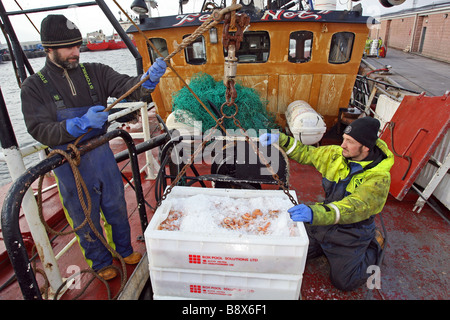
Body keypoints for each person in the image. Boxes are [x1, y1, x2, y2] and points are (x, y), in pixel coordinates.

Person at [21, 15, 167, 281]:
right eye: (68, 48)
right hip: (68, 164)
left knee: (116, 206)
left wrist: (146, 82)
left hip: (101, 154)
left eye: (77, 45)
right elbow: (38, 128)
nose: (76, 52)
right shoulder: (33, 87)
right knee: (83, 216)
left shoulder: (96, 72)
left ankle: (122, 250)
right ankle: (99, 262)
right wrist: (76, 125)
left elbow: (127, 87)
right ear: (48, 49)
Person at [260, 117, 394, 291]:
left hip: (352, 231)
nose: (343, 145)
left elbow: (352, 207)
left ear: (366, 147)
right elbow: (307, 153)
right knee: (288, 254)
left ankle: (373, 245)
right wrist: (282, 140)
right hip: (324, 224)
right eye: (344, 139)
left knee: (344, 282)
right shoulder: (337, 155)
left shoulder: (379, 179)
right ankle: (325, 246)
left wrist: (315, 214)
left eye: (350, 142)